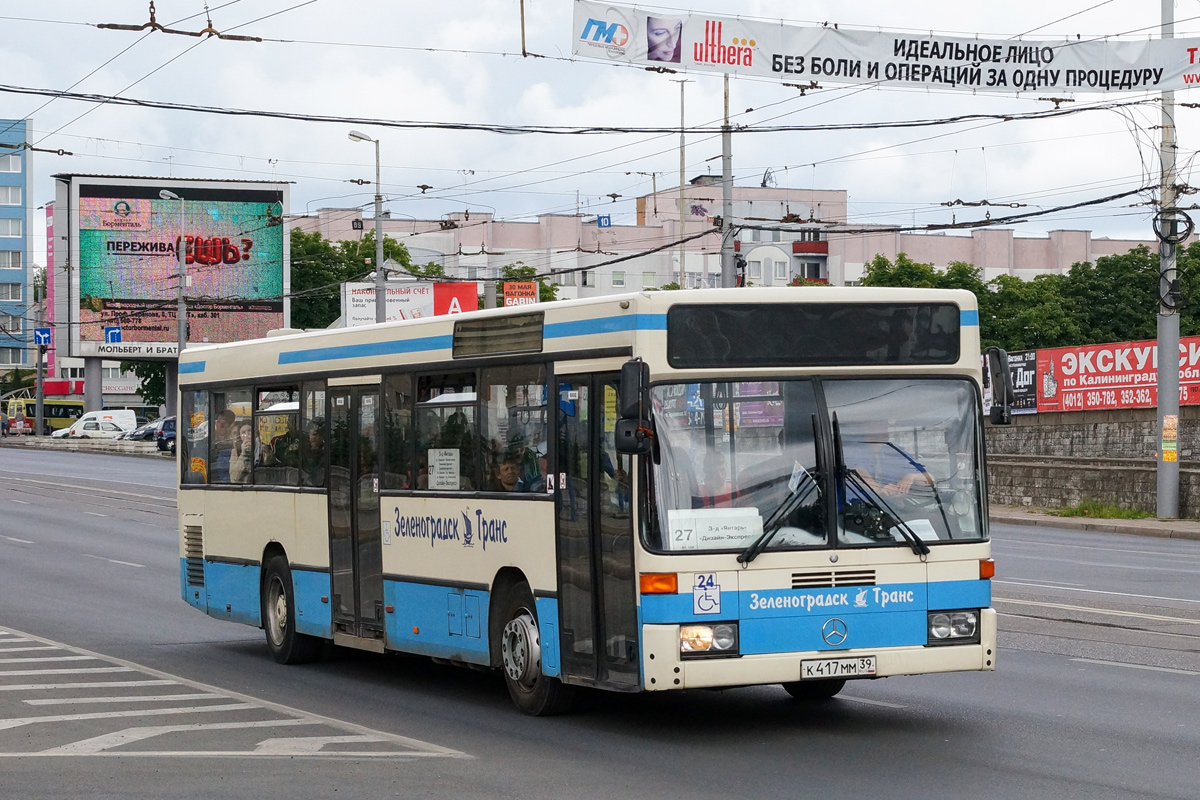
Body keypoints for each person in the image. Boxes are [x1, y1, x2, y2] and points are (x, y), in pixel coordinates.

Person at [210, 409, 237, 483]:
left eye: (224, 422)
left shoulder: (235, 444)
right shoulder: (211, 444)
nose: (221, 425)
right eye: (218, 422)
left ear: (231, 425)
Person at [300, 419, 326, 488]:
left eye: (315, 434)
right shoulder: (304, 451)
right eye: (310, 434)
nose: (312, 438)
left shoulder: (327, 453)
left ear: (321, 436)